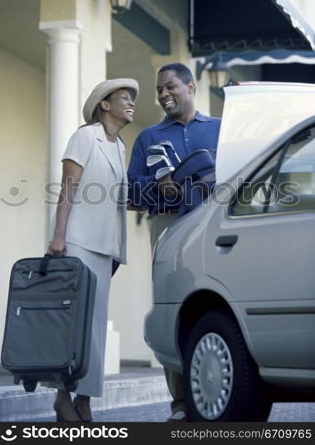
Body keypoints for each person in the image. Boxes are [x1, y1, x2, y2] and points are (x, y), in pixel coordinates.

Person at [127, 63, 221, 421]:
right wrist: (159, 188)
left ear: (191, 87)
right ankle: (180, 404)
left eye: (170, 87)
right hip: (168, 227)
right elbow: (131, 193)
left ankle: (216, 397)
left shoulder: (220, 130)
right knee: (173, 309)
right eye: (159, 91)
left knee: (216, 303)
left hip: (215, 224)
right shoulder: (148, 137)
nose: (164, 95)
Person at [47, 78, 139, 422]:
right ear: (105, 104)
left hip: (106, 248)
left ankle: (85, 399)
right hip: (79, 242)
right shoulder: (86, 136)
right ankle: (62, 396)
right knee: (74, 323)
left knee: (96, 325)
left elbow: (115, 198)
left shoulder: (119, 146)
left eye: (132, 99)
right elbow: (67, 191)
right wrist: (58, 236)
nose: (131, 104)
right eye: (124, 98)